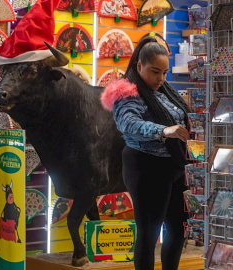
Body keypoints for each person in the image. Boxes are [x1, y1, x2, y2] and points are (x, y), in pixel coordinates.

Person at [101, 36, 191, 270]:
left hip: (175, 165)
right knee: (149, 234)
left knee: (179, 228)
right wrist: (164, 130)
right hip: (146, 166)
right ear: (139, 66)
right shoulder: (126, 93)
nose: (160, 78)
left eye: (164, 72)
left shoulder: (165, 91)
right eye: (154, 72)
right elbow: (128, 124)